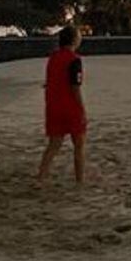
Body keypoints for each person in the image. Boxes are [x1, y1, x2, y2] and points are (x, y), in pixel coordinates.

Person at [38, 26, 88, 184]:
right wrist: (82, 109)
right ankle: (79, 179)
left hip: (53, 106)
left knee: (53, 145)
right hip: (70, 107)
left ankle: (41, 177)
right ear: (74, 39)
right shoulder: (74, 59)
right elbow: (75, 87)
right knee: (79, 145)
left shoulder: (53, 57)